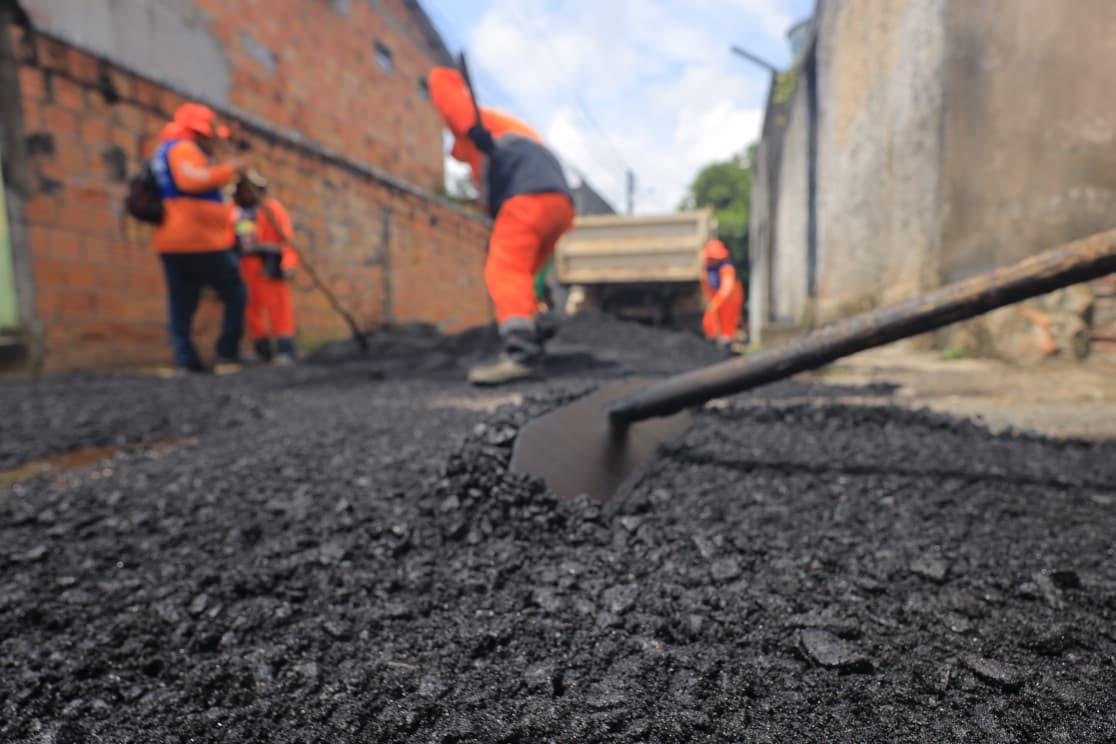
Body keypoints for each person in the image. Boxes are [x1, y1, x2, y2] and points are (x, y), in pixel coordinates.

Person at [429, 66, 575, 385]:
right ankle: (536, 326)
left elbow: (441, 80)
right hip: (560, 203)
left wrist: (467, 126)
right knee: (525, 273)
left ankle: (521, 353)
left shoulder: (476, 127)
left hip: (528, 194)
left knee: (503, 270)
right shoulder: (508, 131)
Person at [151, 102, 245, 373]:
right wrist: (229, 171)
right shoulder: (182, 148)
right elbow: (190, 180)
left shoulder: (164, 150)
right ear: (199, 131)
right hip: (198, 238)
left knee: (182, 300)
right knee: (234, 290)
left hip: (174, 239)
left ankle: (186, 358)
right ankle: (227, 353)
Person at [232, 171, 300, 365]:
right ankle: (262, 350)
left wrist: (288, 262)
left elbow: (287, 238)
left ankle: (285, 349)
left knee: (279, 307)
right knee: (251, 308)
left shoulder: (272, 209)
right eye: (243, 188)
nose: (246, 192)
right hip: (245, 265)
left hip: (270, 264)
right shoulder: (235, 211)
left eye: (250, 188)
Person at [700, 239, 744, 348]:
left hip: (731, 299)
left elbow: (727, 289)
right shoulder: (708, 270)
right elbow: (707, 286)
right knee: (710, 319)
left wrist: (716, 302)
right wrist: (712, 301)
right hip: (718, 298)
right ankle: (713, 341)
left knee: (727, 323)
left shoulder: (726, 268)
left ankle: (727, 345)